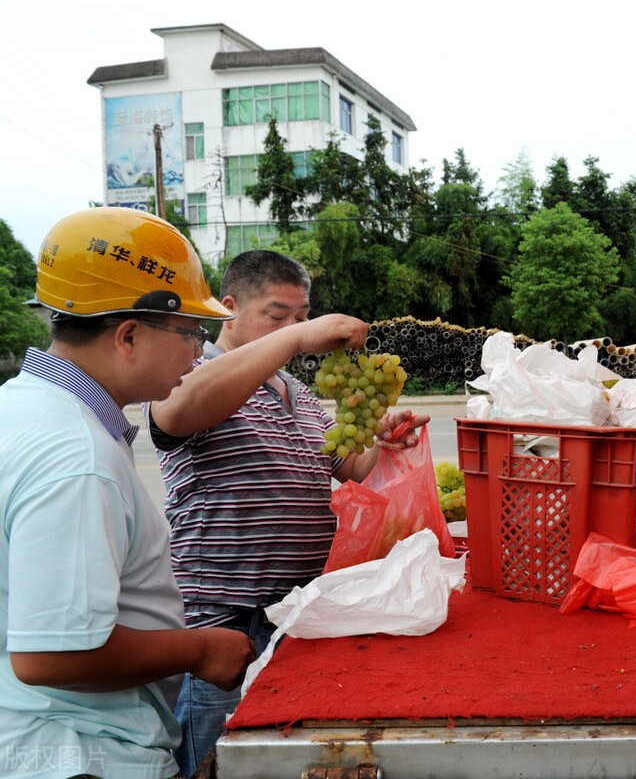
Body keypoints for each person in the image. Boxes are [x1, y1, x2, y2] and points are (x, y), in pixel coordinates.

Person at [144, 249, 429, 776]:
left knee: (277, 758)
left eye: (301, 317)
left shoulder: (295, 390)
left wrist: (383, 442)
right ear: (229, 308)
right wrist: (295, 338)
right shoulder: (193, 372)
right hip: (225, 620)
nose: (296, 329)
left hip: (294, 611)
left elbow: (347, 464)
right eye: (277, 316)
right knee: (215, 760)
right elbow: (175, 413)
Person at [0, 207, 257, 778]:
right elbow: (51, 654)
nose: (199, 353)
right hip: (81, 754)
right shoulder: (75, 456)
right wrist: (201, 649)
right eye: (191, 333)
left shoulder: (22, 409)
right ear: (129, 335)